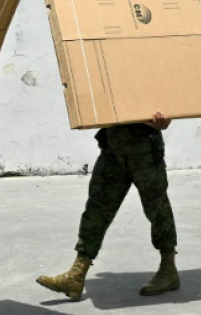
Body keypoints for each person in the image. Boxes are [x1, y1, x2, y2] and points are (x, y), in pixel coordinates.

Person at [36, 112, 179, 301]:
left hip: (144, 153)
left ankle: (168, 269)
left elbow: (166, 112)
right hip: (112, 152)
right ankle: (77, 275)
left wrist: (162, 120)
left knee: (158, 209)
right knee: (96, 210)